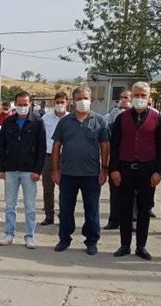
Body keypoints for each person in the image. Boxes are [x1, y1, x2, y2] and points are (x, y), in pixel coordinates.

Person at [109, 82, 161, 260]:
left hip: (147, 170)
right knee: (125, 208)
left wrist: (159, 172)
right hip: (125, 169)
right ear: (132, 96)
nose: (139, 98)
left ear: (149, 98)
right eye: (136, 95)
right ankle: (125, 245)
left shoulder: (157, 118)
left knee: (143, 209)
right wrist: (114, 169)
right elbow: (114, 145)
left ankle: (141, 246)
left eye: (143, 95)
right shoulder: (121, 118)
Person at [51, 86, 109, 255]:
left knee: (92, 209)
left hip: (91, 174)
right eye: (79, 98)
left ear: (91, 100)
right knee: (65, 209)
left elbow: (105, 146)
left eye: (85, 98)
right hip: (68, 174)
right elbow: (56, 145)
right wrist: (55, 169)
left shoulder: (100, 121)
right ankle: (64, 239)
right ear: (73, 101)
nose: (82, 101)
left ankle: (91, 241)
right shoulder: (65, 122)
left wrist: (104, 169)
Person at [0, 91, 46, 249]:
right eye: (19, 104)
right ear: (15, 104)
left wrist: (38, 170)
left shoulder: (37, 122)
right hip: (11, 169)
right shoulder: (8, 122)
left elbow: (42, 148)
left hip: (29, 171)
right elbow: (1, 146)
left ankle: (30, 236)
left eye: (25, 104)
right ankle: (9, 234)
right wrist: (0, 168)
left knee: (30, 206)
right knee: (10, 205)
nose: (22, 107)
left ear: (30, 104)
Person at [103, 89, 132, 230]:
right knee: (115, 193)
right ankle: (114, 220)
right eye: (122, 98)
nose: (124, 101)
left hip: (132, 163)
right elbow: (108, 143)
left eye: (127, 98)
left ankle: (131, 221)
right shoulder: (111, 120)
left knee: (132, 195)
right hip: (116, 162)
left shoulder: (137, 120)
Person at [40, 91, 68, 226]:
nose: (60, 105)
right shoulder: (46, 118)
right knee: (47, 188)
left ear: (67, 103)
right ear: (53, 103)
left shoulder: (71, 118)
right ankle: (49, 216)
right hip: (48, 156)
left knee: (65, 188)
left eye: (62, 102)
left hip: (65, 157)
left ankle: (64, 215)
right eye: (57, 102)